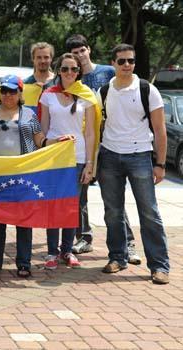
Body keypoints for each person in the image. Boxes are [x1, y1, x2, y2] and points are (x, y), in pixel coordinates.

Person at [0, 75, 71, 277]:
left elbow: (40, 140)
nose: (8, 95)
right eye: (4, 91)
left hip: (23, 174)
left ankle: (24, 263)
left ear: (20, 94)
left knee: (24, 219)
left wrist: (57, 141)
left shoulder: (29, 116)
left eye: (12, 91)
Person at [96, 44, 169, 284]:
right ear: (113, 63)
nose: (127, 65)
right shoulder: (104, 91)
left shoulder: (148, 89)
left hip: (140, 156)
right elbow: (96, 128)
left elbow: (160, 130)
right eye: (122, 61)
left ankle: (159, 266)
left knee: (149, 212)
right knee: (113, 212)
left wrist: (160, 164)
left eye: (131, 60)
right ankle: (118, 256)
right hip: (109, 156)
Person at [64, 34, 140, 260]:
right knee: (80, 196)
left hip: (110, 143)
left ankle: (128, 242)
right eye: (75, 53)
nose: (80, 55)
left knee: (113, 197)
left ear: (89, 50)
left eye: (82, 50)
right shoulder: (73, 79)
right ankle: (84, 237)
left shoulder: (108, 72)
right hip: (84, 146)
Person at [39, 53, 97, 269]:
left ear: (79, 72)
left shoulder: (86, 95)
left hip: (78, 156)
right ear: (59, 71)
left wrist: (90, 164)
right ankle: (52, 252)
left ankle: (67, 250)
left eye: (74, 69)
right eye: (65, 69)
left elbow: (90, 132)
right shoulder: (48, 95)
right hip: (54, 156)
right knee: (54, 205)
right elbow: (43, 129)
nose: (70, 73)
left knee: (72, 206)